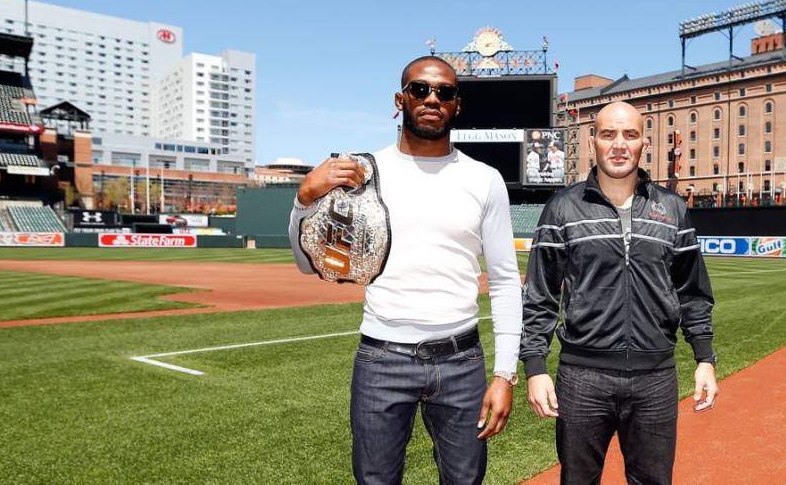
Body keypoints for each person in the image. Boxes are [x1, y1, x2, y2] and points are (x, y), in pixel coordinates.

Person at [288, 56, 523, 484]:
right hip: (382, 358)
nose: (432, 98)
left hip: (461, 361)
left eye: (444, 92)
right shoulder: (361, 173)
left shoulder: (484, 179)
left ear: (457, 105)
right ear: (400, 99)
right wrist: (304, 199)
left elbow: (506, 281)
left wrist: (505, 374)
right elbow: (308, 265)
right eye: (420, 89)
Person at [520, 101, 719, 484]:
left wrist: (705, 359)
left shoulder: (672, 209)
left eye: (629, 134)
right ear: (592, 140)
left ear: (644, 142)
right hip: (582, 377)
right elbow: (541, 296)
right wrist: (534, 366)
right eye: (608, 134)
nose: (619, 144)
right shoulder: (562, 208)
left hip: (655, 379)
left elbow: (692, 292)